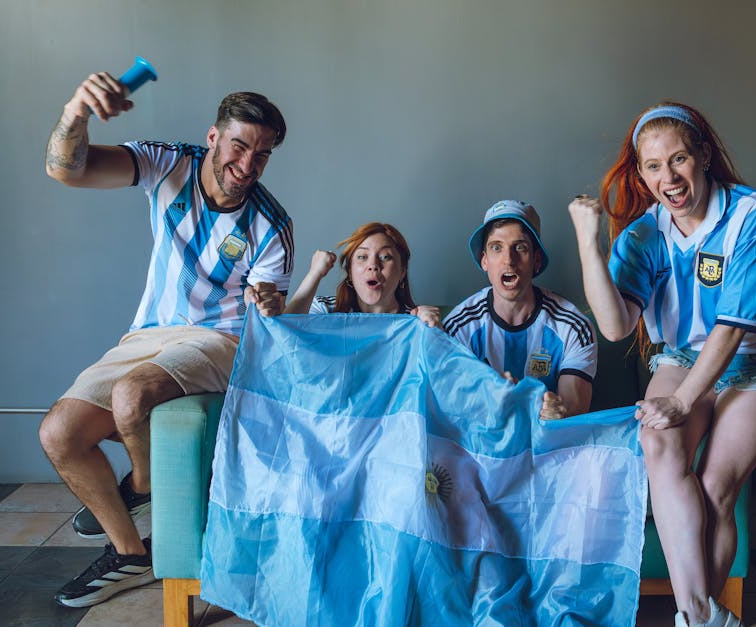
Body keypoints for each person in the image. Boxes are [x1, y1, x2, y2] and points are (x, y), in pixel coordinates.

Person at [39, 71, 293, 608]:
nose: (247, 166)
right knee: (59, 433)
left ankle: (143, 488)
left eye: (262, 155)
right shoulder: (166, 164)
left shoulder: (272, 225)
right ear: (213, 137)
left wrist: (268, 304)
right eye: (240, 146)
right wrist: (75, 113)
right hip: (147, 333)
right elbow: (67, 169)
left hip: (219, 339)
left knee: (133, 397)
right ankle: (131, 553)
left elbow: (265, 314)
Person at [568, 102, 756, 627]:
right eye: (653, 166)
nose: (668, 178)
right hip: (683, 356)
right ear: (641, 172)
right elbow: (614, 325)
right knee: (657, 441)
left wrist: (680, 400)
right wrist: (589, 244)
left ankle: (700, 615)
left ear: (703, 155)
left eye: (678, 160)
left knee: (716, 485)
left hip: (754, 363)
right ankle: (698, 615)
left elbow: (734, 327)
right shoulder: (644, 234)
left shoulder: (753, 216)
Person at [443, 200, 597, 420]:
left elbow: (574, 408)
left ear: (536, 260)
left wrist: (555, 410)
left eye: (520, 247)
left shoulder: (573, 326)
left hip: (547, 446)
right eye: (497, 247)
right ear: (484, 260)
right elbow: (450, 408)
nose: (509, 260)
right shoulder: (459, 327)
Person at [285, 222, 440, 326]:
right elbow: (285, 333)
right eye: (362, 257)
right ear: (350, 272)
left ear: (402, 271)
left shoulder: (416, 321)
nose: (373, 265)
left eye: (385, 257)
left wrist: (435, 332)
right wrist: (315, 273)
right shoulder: (325, 310)